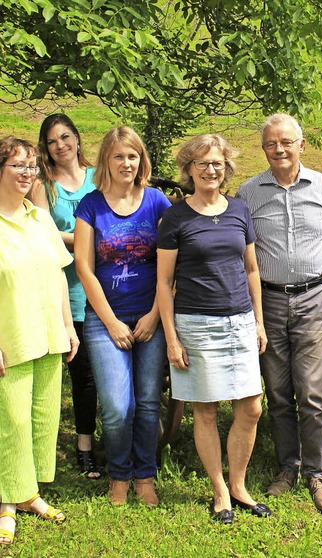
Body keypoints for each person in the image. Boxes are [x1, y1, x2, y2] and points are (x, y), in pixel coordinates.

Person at [157, 134, 270, 524]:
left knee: (251, 407)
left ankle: (239, 485)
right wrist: (172, 338)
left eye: (218, 163)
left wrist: (258, 321)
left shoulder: (240, 210)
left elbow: (251, 269)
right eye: (203, 163)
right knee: (205, 411)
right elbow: (164, 284)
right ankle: (219, 490)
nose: (211, 170)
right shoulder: (175, 217)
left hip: (240, 320)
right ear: (189, 169)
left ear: (227, 169)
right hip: (196, 324)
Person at [236, 114, 322, 512]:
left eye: (286, 142)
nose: (279, 149)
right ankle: (288, 467)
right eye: (270, 144)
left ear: (302, 144)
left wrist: (313, 281)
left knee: (313, 393)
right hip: (268, 300)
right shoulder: (249, 193)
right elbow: (245, 252)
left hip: (315, 298)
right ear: (263, 149)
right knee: (278, 392)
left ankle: (317, 472)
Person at [74, 127, 171, 506]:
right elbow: (84, 266)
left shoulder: (158, 203)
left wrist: (154, 315)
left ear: (141, 160)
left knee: (147, 400)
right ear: (106, 161)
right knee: (117, 405)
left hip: (150, 315)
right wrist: (111, 321)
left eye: (132, 156)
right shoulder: (91, 205)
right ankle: (119, 474)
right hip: (103, 317)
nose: (126, 163)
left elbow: (170, 267)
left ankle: (144, 474)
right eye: (118, 156)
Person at [0, 137, 79, 546]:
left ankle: (28, 492)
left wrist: (68, 327)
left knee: (41, 417)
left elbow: (59, 276)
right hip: (10, 336)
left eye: (32, 167)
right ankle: (6, 504)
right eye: (18, 166)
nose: (28, 174)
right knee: (9, 421)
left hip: (48, 333)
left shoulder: (41, 218)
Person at [29, 113, 101, 479]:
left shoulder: (97, 175)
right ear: (46, 147)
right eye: (53, 140)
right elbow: (44, 234)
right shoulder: (44, 185)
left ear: (77, 138)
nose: (61, 145)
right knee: (81, 372)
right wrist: (89, 237)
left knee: (100, 371)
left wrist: (77, 236)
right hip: (67, 289)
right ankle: (84, 446)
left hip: (105, 287)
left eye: (66, 136)